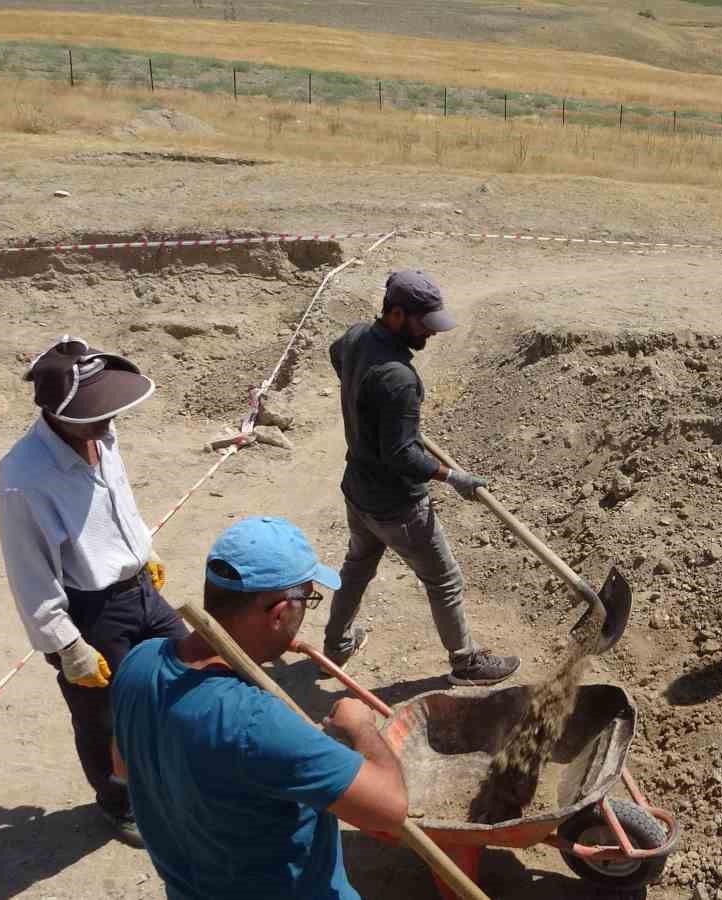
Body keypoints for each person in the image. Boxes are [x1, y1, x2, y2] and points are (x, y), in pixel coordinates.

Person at [111, 517, 407, 900]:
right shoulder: (256, 723)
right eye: (308, 600)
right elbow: (391, 809)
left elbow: (122, 766)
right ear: (280, 611)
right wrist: (361, 727)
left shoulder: (140, 661)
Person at [0, 336, 184, 847]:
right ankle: (118, 803)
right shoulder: (22, 481)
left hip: (139, 588)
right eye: (96, 414)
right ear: (57, 414)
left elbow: (120, 501)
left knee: (184, 674)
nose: (108, 422)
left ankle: (165, 773)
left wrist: (145, 550)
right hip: (90, 611)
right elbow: (28, 573)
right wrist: (67, 644)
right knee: (105, 719)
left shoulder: (104, 435)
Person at [323, 269, 520, 686]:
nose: (430, 334)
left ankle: (337, 644)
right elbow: (402, 456)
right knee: (444, 579)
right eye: (423, 324)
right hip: (398, 505)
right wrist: (452, 477)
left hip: (357, 489)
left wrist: (363, 401)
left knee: (357, 566)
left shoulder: (358, 336)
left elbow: (335, 353)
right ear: (395, 314)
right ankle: (466, 662)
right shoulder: (399, 379)